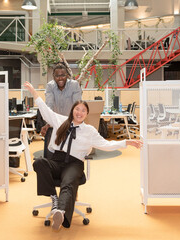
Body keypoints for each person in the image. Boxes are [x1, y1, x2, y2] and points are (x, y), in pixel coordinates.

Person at [24, 81, 142, 231]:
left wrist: (127, 142)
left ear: (86, 114)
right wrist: (34, 91)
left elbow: (106, 145)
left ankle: (60, 212)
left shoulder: (89, 130)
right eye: (77, 109)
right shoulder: (60, 121)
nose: (79, 113)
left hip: (74, 164)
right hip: (56, 160)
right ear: (73, 111)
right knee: (39, 162)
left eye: (83, 111)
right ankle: (54, 197)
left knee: (68, 182)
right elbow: (44, 109)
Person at [41, 62, 82, 159]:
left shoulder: (74, 85)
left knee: (71, 156)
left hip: (70, 123)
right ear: (53, 76)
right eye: (57, 76)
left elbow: (78, 106)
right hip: (55, 123)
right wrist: (48, 123)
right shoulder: (50, 86)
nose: (60, 78)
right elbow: (49, 105)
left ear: (67, 75)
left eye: (63, 75)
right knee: (50, 156)